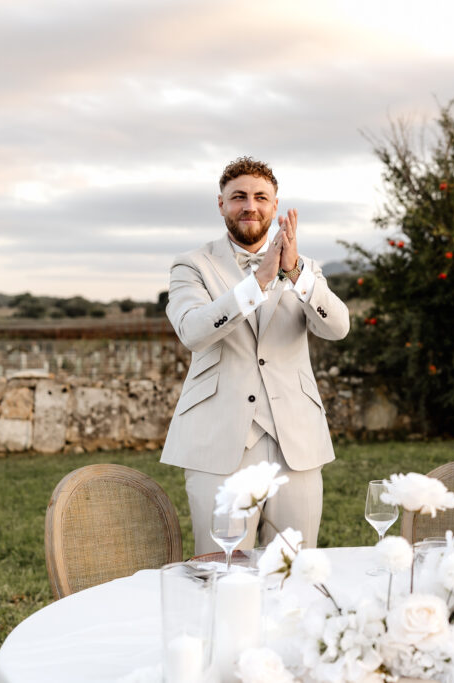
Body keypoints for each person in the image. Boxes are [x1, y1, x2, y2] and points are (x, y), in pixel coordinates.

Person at [161, 157, 349, 555]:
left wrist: (295, 272)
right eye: (239, 197)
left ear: (275, 206)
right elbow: (193, 332)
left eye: (260, 197)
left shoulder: (305, 268)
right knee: (223, 569)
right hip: (219, 441)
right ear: (221, 204)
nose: (250, 206)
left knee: (294, 568)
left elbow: (338, 328)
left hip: (295, 440)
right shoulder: (191, 266)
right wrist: (260, 279)